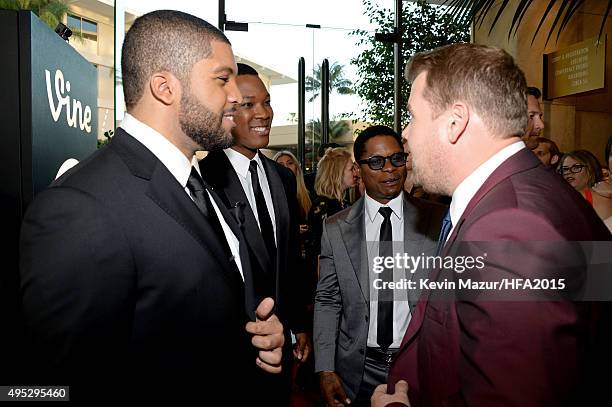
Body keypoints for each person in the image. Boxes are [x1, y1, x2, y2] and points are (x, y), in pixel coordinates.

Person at [19, 11, 284, 401]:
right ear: (165, 87)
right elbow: (57, 386)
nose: (235, 96)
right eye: (222, 79)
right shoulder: (78, 209)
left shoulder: (204, 181)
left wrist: (259, 338)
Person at [375, 43, 611, 406]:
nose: (404, 132)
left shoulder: (510, 226)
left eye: (412, 116)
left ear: (455, 122)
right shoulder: (544, 195)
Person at [199, 63, 309, 405]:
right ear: (226, 110)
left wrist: (298, 323)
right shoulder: (202, 179)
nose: (263, 113)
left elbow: (289, 259)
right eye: (248, 104)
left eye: (267, 101)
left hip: (281, 349)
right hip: (226, 358)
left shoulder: (283, 177)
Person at [314, 125, 446, 406]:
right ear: (358, 169)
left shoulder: (436, 220)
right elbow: (327, 300)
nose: (389, 169)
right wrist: (325, 367)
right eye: (376, 162)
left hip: (419, 364)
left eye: (397, 159)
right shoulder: (335, 228)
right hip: (356, 370)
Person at [558, 150, 612, 231]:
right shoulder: (559, 198)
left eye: (576, 167)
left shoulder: (604, 196)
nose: (569, 172)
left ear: (591, 169)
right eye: (565, 169)